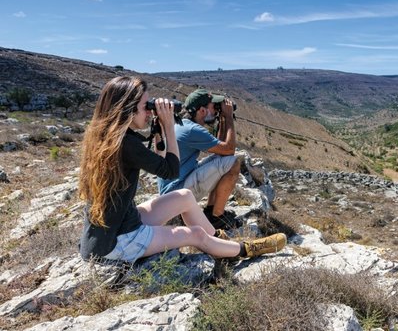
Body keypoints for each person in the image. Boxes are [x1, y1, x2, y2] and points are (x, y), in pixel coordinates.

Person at [78, 76, 286, 264]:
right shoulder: (126, 145)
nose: (150, 112)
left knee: (185, 196)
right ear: (127, 109)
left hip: (113, 227)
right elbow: (170, 170)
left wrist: (159, 130)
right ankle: (243, 250)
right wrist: (169, 125)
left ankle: (219, 242)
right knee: (195, 234)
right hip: (116, 242)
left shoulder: (109, 138)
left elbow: (160, 165)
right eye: (145, 107)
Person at [157, 88, 241, 230]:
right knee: (234, 163)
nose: (215, 110)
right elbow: (229, 149)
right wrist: (228, 118)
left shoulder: (183, 125)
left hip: (171, 191)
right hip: (176, 194)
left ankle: (210, 211)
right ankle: (216, 217)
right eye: (213, 107)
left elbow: (221, 151)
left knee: (221, 160)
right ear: (202, 111)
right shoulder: (192, 130)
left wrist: (221, 119)